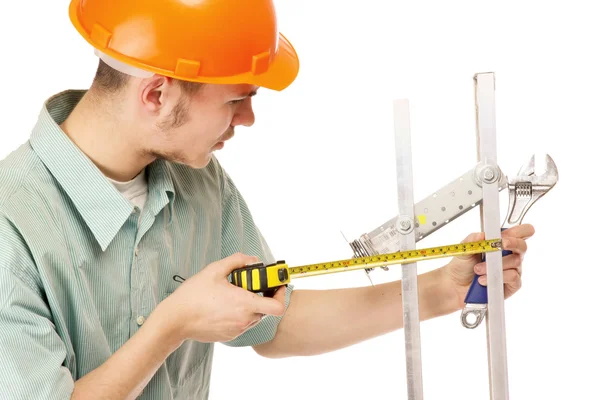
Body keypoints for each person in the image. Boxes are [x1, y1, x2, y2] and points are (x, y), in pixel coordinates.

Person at [0, 0, 534, 399]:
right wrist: (173, 326)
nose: (248, 119)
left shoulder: (198, 183)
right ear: (157, 94)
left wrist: (443, 289)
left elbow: (276, 321)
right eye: (237, 100)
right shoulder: (12, 223)